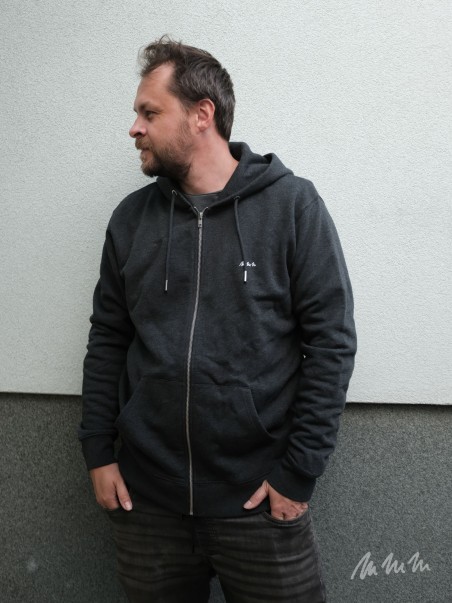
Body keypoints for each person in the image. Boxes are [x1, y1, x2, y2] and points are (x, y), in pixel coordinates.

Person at [78, 35, 357, 603]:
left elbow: (330, 343)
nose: (134, 128)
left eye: (149, 113)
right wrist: (98, 452)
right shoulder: (131, 220)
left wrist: (297, 473)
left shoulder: (291, 207)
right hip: (146, 503)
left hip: (256, 501)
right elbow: (108, 338)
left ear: (202, 115)